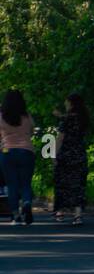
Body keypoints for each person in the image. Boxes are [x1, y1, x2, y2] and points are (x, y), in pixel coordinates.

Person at [52, 93, 90, 225]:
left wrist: (54, 154)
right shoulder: (84, 118)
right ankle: (78, 215)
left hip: (66, 155)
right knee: (78, 184)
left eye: (67, 103)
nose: (65, 104)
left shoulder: (66, 120)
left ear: (71, 104)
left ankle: (60, 211)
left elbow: (60, 138)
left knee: (62, 183)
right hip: (79, 154)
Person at [1, 89, 36, 226]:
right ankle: (27, 203)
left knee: (12, 185)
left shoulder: (1, 116)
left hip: (7, 152)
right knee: (25, 183)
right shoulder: (26, 116)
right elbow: (32, 130)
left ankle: (15, 215)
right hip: (26, 152)